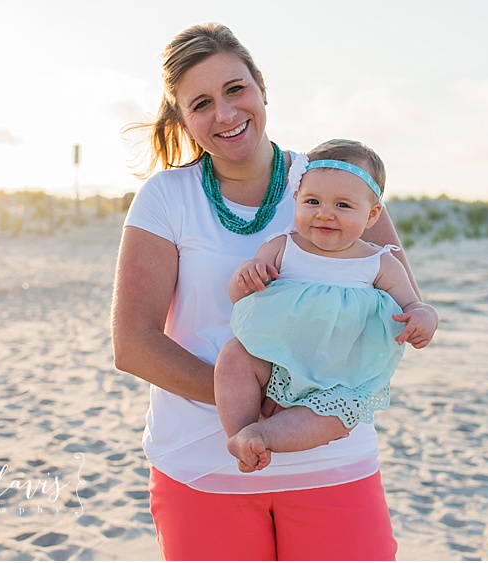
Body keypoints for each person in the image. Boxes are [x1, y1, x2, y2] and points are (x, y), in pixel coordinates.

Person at [111, 22, 439, 561]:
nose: (225, 113)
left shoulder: (337, 180)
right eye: (201, 103)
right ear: (183, 118)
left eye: (235, 89)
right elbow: (134, 343)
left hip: (332, 456)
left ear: (261, 86)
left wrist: (305, 411)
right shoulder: (165, 198)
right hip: (204, 463)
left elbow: (399, 306)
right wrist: (254, 408)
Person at [215, 139, 436, 474]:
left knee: (336, 419)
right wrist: (246, 275)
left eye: (343, 205)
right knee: (233, 357)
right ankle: (240, 434)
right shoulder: (283, 248)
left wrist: (423, 317)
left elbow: (412, 303)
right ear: (297, 201)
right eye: (312, 201)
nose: (325, 213)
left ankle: (263, 435)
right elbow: (241, 298)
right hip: (274, 357)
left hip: (339, 377)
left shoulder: (378, 263)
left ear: (372, 214)